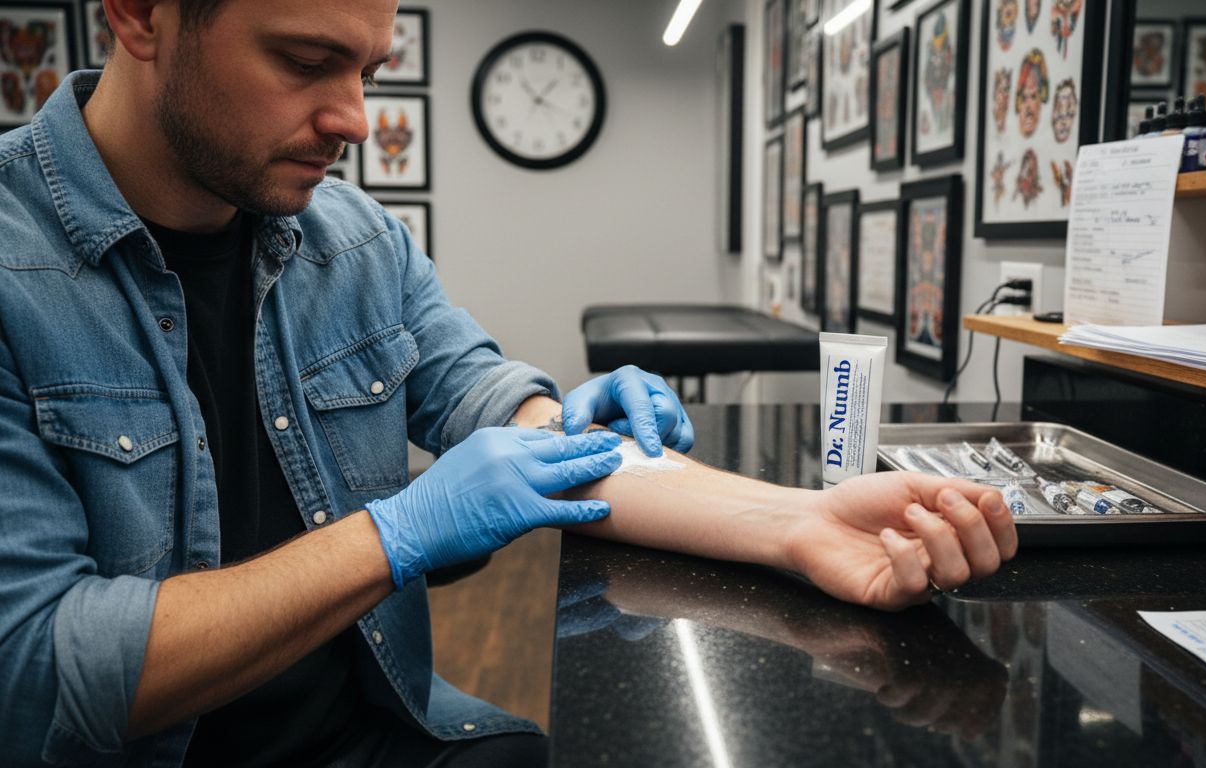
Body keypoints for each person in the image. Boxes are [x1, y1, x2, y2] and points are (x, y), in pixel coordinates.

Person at [0, 1, 1018, 766]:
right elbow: (40, 676)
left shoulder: (355, 244)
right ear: (140, 14)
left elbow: (490, 399)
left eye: (367, 68)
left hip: (382, 734)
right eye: (306, 62)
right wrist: (389, 537)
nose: (354, 118)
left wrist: (805, 521)